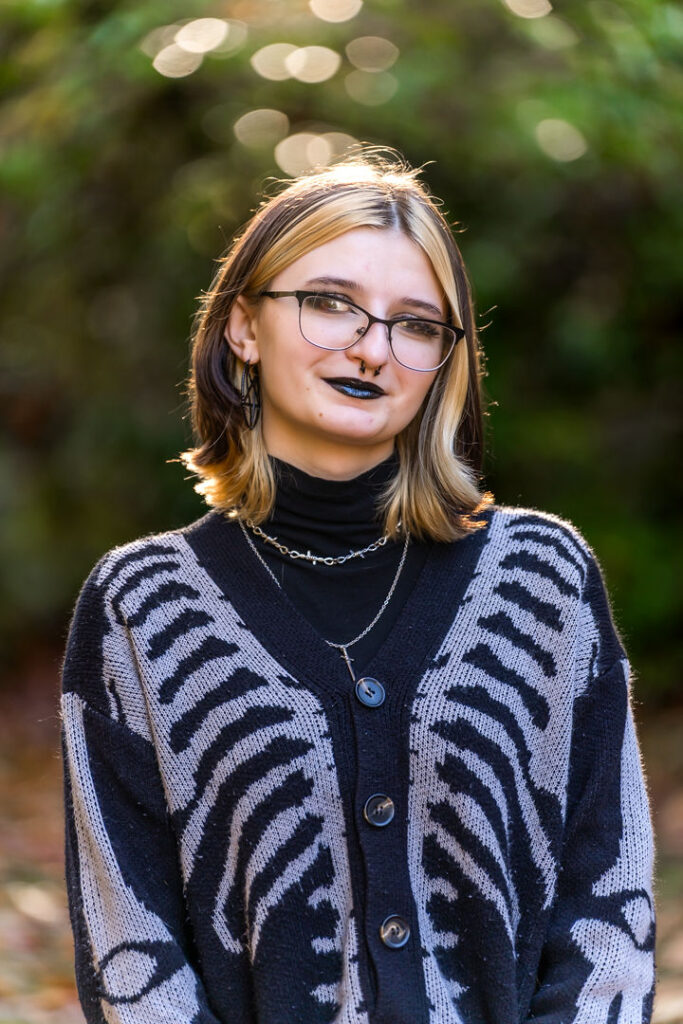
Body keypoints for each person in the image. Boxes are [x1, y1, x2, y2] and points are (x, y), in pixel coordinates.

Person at [60, 149, 655, 1024]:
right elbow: (129, 944)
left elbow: (608, 904)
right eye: (329, 304)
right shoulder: (140, 608)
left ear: (444, 361)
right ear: (242, 327)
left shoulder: (542, 578)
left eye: (415, 324)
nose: (372, 349)